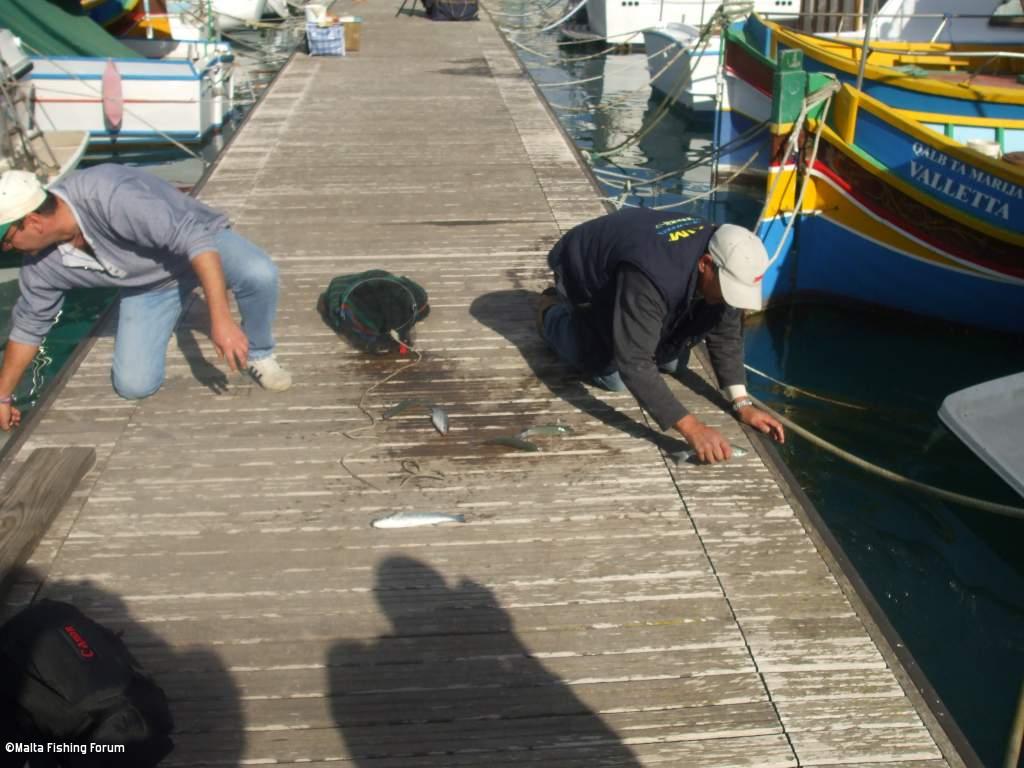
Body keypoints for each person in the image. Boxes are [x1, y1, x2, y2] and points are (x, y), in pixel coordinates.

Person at [0, 164, 291, 431]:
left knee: (258, 272)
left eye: (7, 241)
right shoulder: (38, 265)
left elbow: (194, 239)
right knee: (133, 384)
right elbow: (29, 326)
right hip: (151, 285)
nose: (8, 249)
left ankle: (260, 353)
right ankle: (179, 300)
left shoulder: (108, 196)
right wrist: (2, 397)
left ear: (34, 222)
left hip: (200, 243)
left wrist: (221, 319)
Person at [537, 208, 784, 463]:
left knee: (672, 362)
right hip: (583, 271)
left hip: (638, 262)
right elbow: (634, 362)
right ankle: (551, 314)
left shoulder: (727, 260)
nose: (729, 297)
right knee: (614, 376)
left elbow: (726, 330)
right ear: (706, 264)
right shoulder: (651, 274)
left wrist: (742, 403)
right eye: (728, 289)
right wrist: (692, 429)